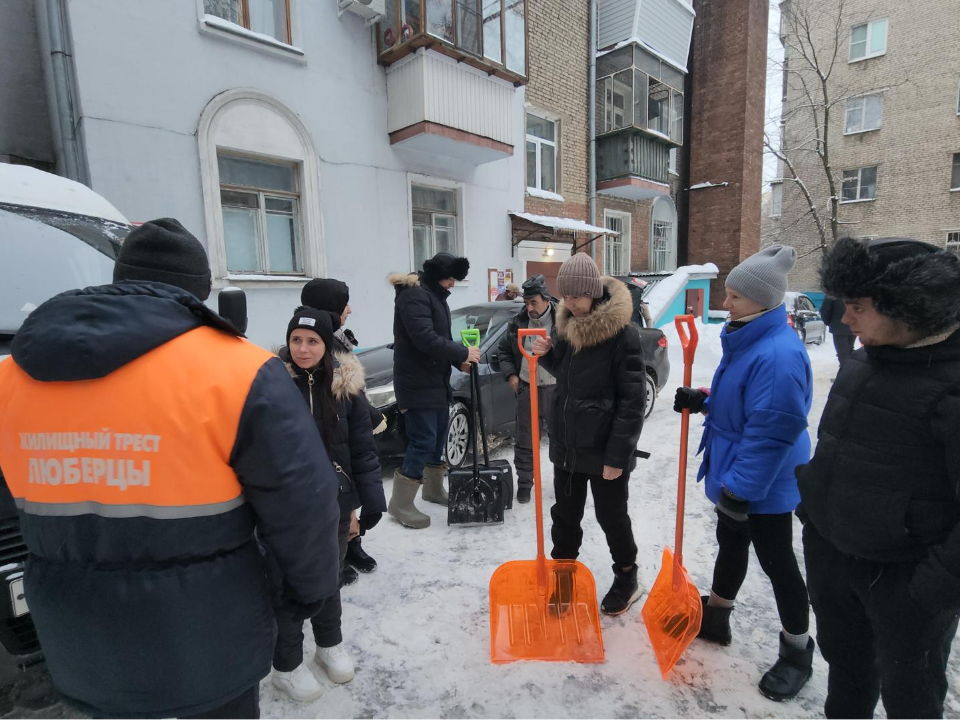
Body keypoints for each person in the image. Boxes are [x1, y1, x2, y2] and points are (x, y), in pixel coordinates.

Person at [0, 219, 341, 720]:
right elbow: (304, 503)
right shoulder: (239, 370)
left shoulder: (12, 376)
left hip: (82, 638)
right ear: (199, 293)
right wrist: (303, 594)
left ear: (120, 277)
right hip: (210, 637)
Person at [797, 236, 960, 720]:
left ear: (907, 307)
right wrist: (815, 519)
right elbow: (835, 449)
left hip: (906, 582)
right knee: (847, 674)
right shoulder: (862, 362)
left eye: (857, 307)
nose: (844, 320)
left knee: (911, 697)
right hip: (836, 562)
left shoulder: (951, 388)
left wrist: (930, 589)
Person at [674, 245, 815, 702]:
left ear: (763, 299)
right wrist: (705, 400)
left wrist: (741, 490)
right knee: (730, 543)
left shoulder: (777, 354)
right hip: (738, 471)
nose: (726, 302)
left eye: (735, 296)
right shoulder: (748, 337)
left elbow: (771, 430)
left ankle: (797, 652)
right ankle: (717, 618)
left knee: (777, 563)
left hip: (763, 481)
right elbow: (742, 403)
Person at [271, 307, 386, 701]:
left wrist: (367, 502)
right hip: (287, 505)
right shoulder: (272, 383)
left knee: (331, 573)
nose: (302, 349)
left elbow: (362, 448)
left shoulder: (345, 387)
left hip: (334, 501)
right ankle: (286, 663)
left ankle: (329, 643)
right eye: (296, 340)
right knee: (288, 581)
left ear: (326, 345)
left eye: (312, 341)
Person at [531, 253, 646, 615]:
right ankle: (564, 578)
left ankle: (627, 577)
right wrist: (548, 356)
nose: (570, 303)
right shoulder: (567, 326)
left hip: (604, 449)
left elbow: (632, 401)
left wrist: (617, 457)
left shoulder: (622, 334)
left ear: (593, 293)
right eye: (565, 296)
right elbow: (568, 378)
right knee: (565, 518)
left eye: (577, 296)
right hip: (568, 446)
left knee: (612, 518)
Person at [300, 278, 386, 580]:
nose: (349, 309)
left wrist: (368, 415)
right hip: (328, 430)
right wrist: (371, 415)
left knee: (349, 485)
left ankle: (351, 543)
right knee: (338, 489)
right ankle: (339, 551)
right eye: (344, 303)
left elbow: (352, 388)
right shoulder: (315, 340)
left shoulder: (338, 337)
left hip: (348, 427)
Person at [387, 252, 478, 529]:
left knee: (438, 438)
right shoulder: (414, 296)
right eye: (451, 278)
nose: (453, 284)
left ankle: (433, 489)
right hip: (416, 383)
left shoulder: (435, 297)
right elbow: (424, 338)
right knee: (423, 441)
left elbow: (441, 339)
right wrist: (462, 351)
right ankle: (401, 504)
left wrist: (459, 362)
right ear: (440, 276)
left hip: (435, 381)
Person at [497, 274, 558, 504]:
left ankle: (563, 482)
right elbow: (504, 350)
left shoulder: (562, 320)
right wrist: (511, 375)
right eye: (527, 303)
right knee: (525, 439)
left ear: (546, 300)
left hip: (556, 389)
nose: (530, 308)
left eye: (534, 302)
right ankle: (524, 483)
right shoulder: (518, 322)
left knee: (560, 440)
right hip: (527, 387)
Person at [818, 295, 855, 373]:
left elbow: (825, 310)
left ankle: (846, 375)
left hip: (838, 326)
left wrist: (828, 322)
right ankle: (852, 373)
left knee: (843, 353)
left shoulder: (833, 292)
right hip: (854, 324)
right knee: (850, 350)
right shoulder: (854, 290)